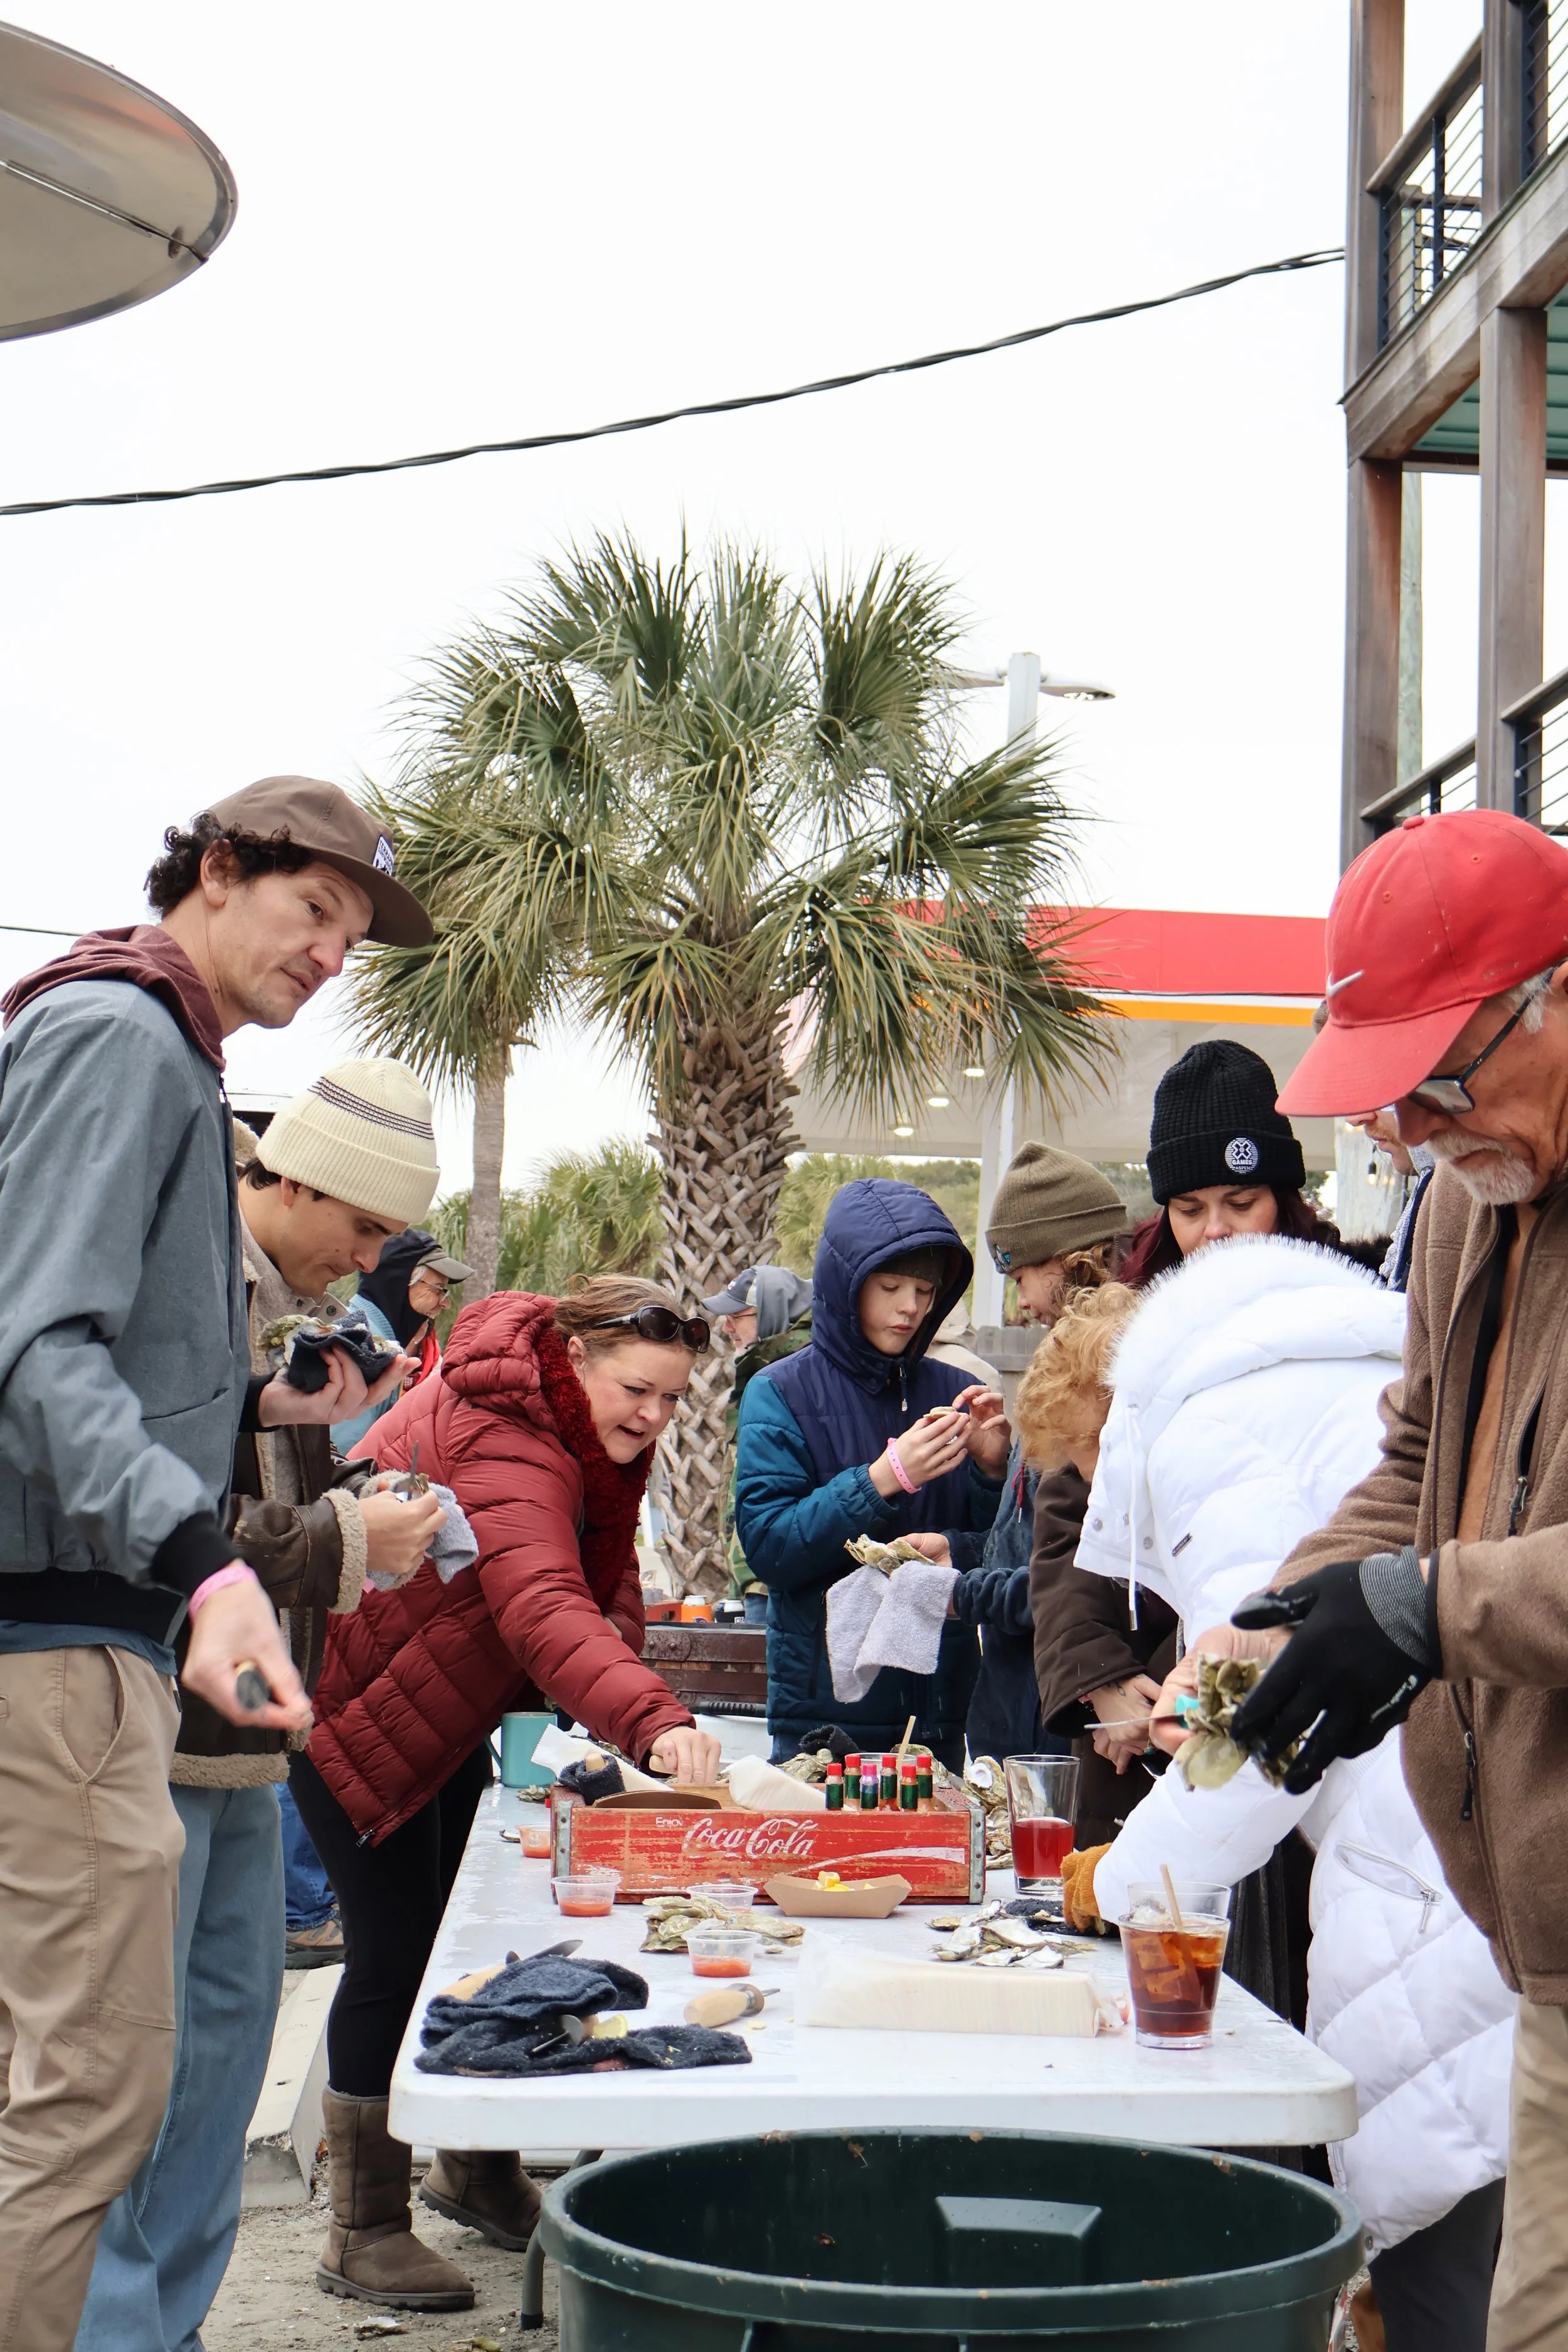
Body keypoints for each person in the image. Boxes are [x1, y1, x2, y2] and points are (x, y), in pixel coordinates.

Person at [0, 774, 430, 2352]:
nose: (330, 950)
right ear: (219, 868)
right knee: (80, 2104)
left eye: (352, 932)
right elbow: (33, 1348)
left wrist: (245, 1410)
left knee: (85, 2095)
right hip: (58, 1645)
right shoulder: (121, 1033)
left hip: (87, 1643)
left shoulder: (163, 1048)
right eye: (313, 907)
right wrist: (213, 1556)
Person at [1192, 809, 1568, 2349]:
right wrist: (1291, 1606)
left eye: (1442, 1079)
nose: (1415, 1128)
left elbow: (1443, 1563)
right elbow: (1418, 1460)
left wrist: (1425, 1607)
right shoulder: (1473, 1209)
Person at [1031, 1259, 1511, 2352]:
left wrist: (1119, 1878)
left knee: (1447, 2245)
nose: (1096, 1494)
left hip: (1434, 1869)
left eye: (1090, 1465)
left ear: (1116, 1419)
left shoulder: (1209, 1429)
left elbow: (1261, 1727)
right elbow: (1277, 1646)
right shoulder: (1336, 1374)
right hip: (1503, 1821)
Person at [75, 1061, 446, 2352]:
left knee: (222, 2060)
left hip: (242, 1738)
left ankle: (160, 2328)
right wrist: (342, 1536)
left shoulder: (288, 1301)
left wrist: (335, 1460)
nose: (365, 1260)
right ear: (284, 1178)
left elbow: (227, 1488)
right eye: (354, 1228)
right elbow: (140, 1510)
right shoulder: (180, 1275)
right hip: (137, 1719)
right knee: (132, 2073)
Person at [291, 1275, 723, 2312]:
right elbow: (540, 1604)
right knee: (393, 1960)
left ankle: (472, 2164)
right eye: (638, 1391)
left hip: (436, 1707)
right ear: (574, 1357)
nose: (654, 1416)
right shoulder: (509, 1433)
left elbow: (600, 1575)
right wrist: (652, 1719)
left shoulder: (571, 1419)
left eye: (672, 1399)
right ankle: (364, 2227)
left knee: (469, 1947)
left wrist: (614, 1702)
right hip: (352, 1709)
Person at [733, 1178, 1009, 1766]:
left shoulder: (959, 1392)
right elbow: (769, 1547)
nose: (910, 1307)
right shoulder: (778, 1390)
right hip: (822, 1721)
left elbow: (1003, 1555)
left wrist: (991, 1473)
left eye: (926, 1290)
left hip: (940, 1712)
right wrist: (883, 1478)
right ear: (846, 1285)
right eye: (890, 1287)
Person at [945, 1145, 1128, 1761]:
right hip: (1015, 1714)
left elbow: (1076, 1576)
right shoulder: (1061, 1363)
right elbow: (1029, 1545)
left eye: (1021, 1276)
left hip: (1071, 1725)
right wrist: (960, 1543)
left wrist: (955, 1590)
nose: (1021, 1302)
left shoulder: (1108, 1378)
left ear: (1068, 1258)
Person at [701, 1264, 813, 1599]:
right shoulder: (762, 1368)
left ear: (771, 1314)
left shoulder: (796, 1377)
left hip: (777, 1584)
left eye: (737, 1315)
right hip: (761, 1577)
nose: (726, 1326)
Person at [331, 1229, 475, 1453]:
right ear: (397, 1283)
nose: (445, 1303)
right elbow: (343, 1455)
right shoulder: (364, 1347)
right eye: (438, 1289)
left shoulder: (372, 1337)